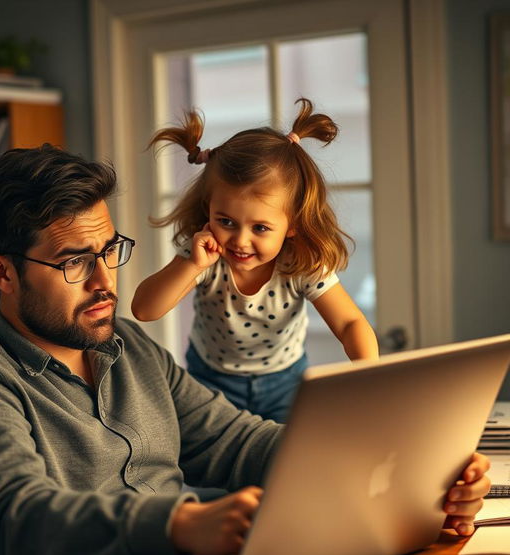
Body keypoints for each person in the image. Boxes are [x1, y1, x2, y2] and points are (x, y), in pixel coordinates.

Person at [0, 144, 489, 555]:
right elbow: (17, 521)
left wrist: (414, 476)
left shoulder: (130, 350)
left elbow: (238, 441)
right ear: (1, 273)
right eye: (74, 262)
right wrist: (178, 525)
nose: (106, 281)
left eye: (110, 250)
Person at [132, 98, 378, 422]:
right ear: (208, 208)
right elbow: (144, 310)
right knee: (215, 462)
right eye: (226, 221)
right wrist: (192, 265)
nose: (240, 240)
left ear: (292, 224)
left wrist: (371, 377)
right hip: (209, 381)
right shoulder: (205, 256)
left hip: (285, 382)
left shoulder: (302, 264)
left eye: (260, 227)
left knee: (285, 459)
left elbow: (349, 324)